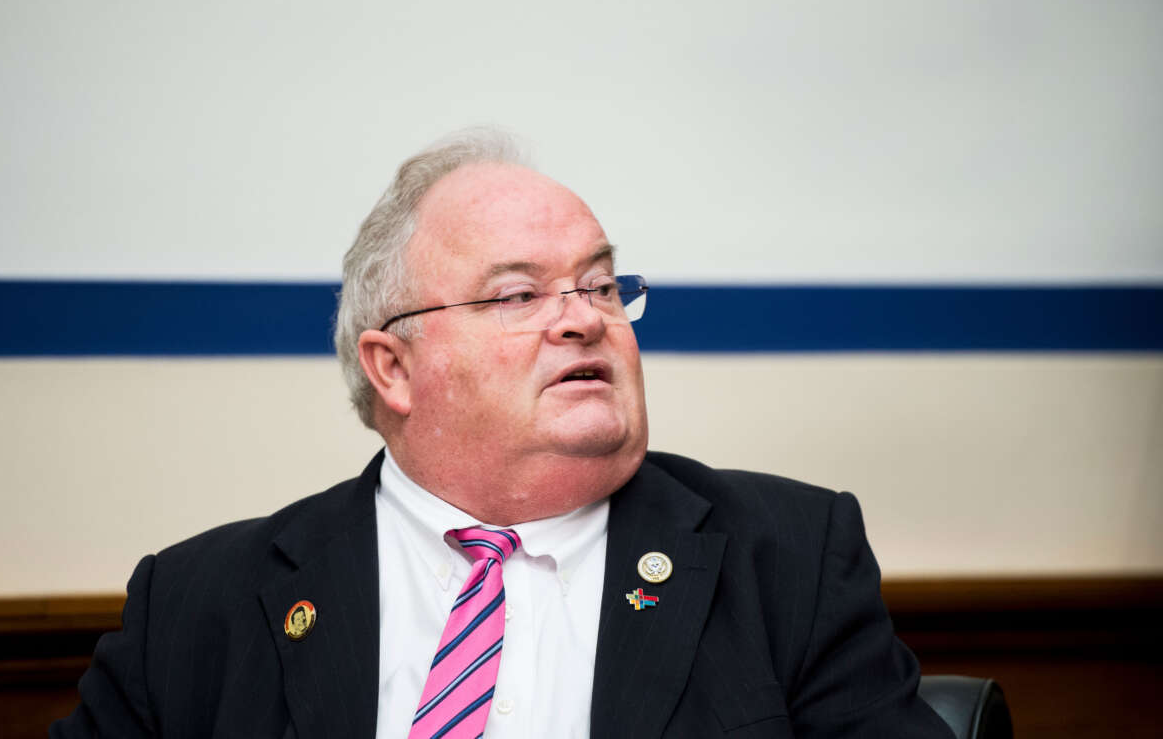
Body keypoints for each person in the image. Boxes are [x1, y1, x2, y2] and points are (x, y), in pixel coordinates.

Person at [53, 128, 952, 738]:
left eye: (601, 285)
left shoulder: (786, 561)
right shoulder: (198, 604)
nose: (583, 319)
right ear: (392, 367)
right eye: (520, 295)